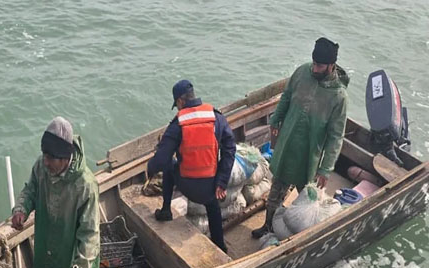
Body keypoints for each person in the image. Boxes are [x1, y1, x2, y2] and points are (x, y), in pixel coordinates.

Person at [252, 37, 349, 238]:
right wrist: (276, 119)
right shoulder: (302, 73)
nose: (314, 68)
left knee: (308, 199)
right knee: (275, 191)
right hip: (288, 146)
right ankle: (269, 225)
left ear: (331, 66)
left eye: (320, 66)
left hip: (309, 157)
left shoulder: (339, 96)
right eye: (313, 63)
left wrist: (326, 168)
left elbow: (335, 137)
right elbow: (286, 96)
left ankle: (305, 234)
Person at [11, 117, 100, 268]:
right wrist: (21, 209)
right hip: (46, 245)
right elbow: (30, 190)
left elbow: (90, 235)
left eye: (51, 158)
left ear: (65, 158)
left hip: (70, 258)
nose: (45, 161)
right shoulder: (42, 166)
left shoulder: (86, 186)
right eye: (44, 154)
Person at [146, 79, 236, 253]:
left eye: (177, 105)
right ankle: (219, 244)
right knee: (213, 206)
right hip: (211, 190)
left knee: (169, 166)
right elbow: (230, 149)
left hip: (188, 186)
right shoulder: (216, 117)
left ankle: (166, 211)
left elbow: (161, 160)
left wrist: (149, 169)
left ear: (180, 101)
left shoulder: (178, 123)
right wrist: (221, 182)